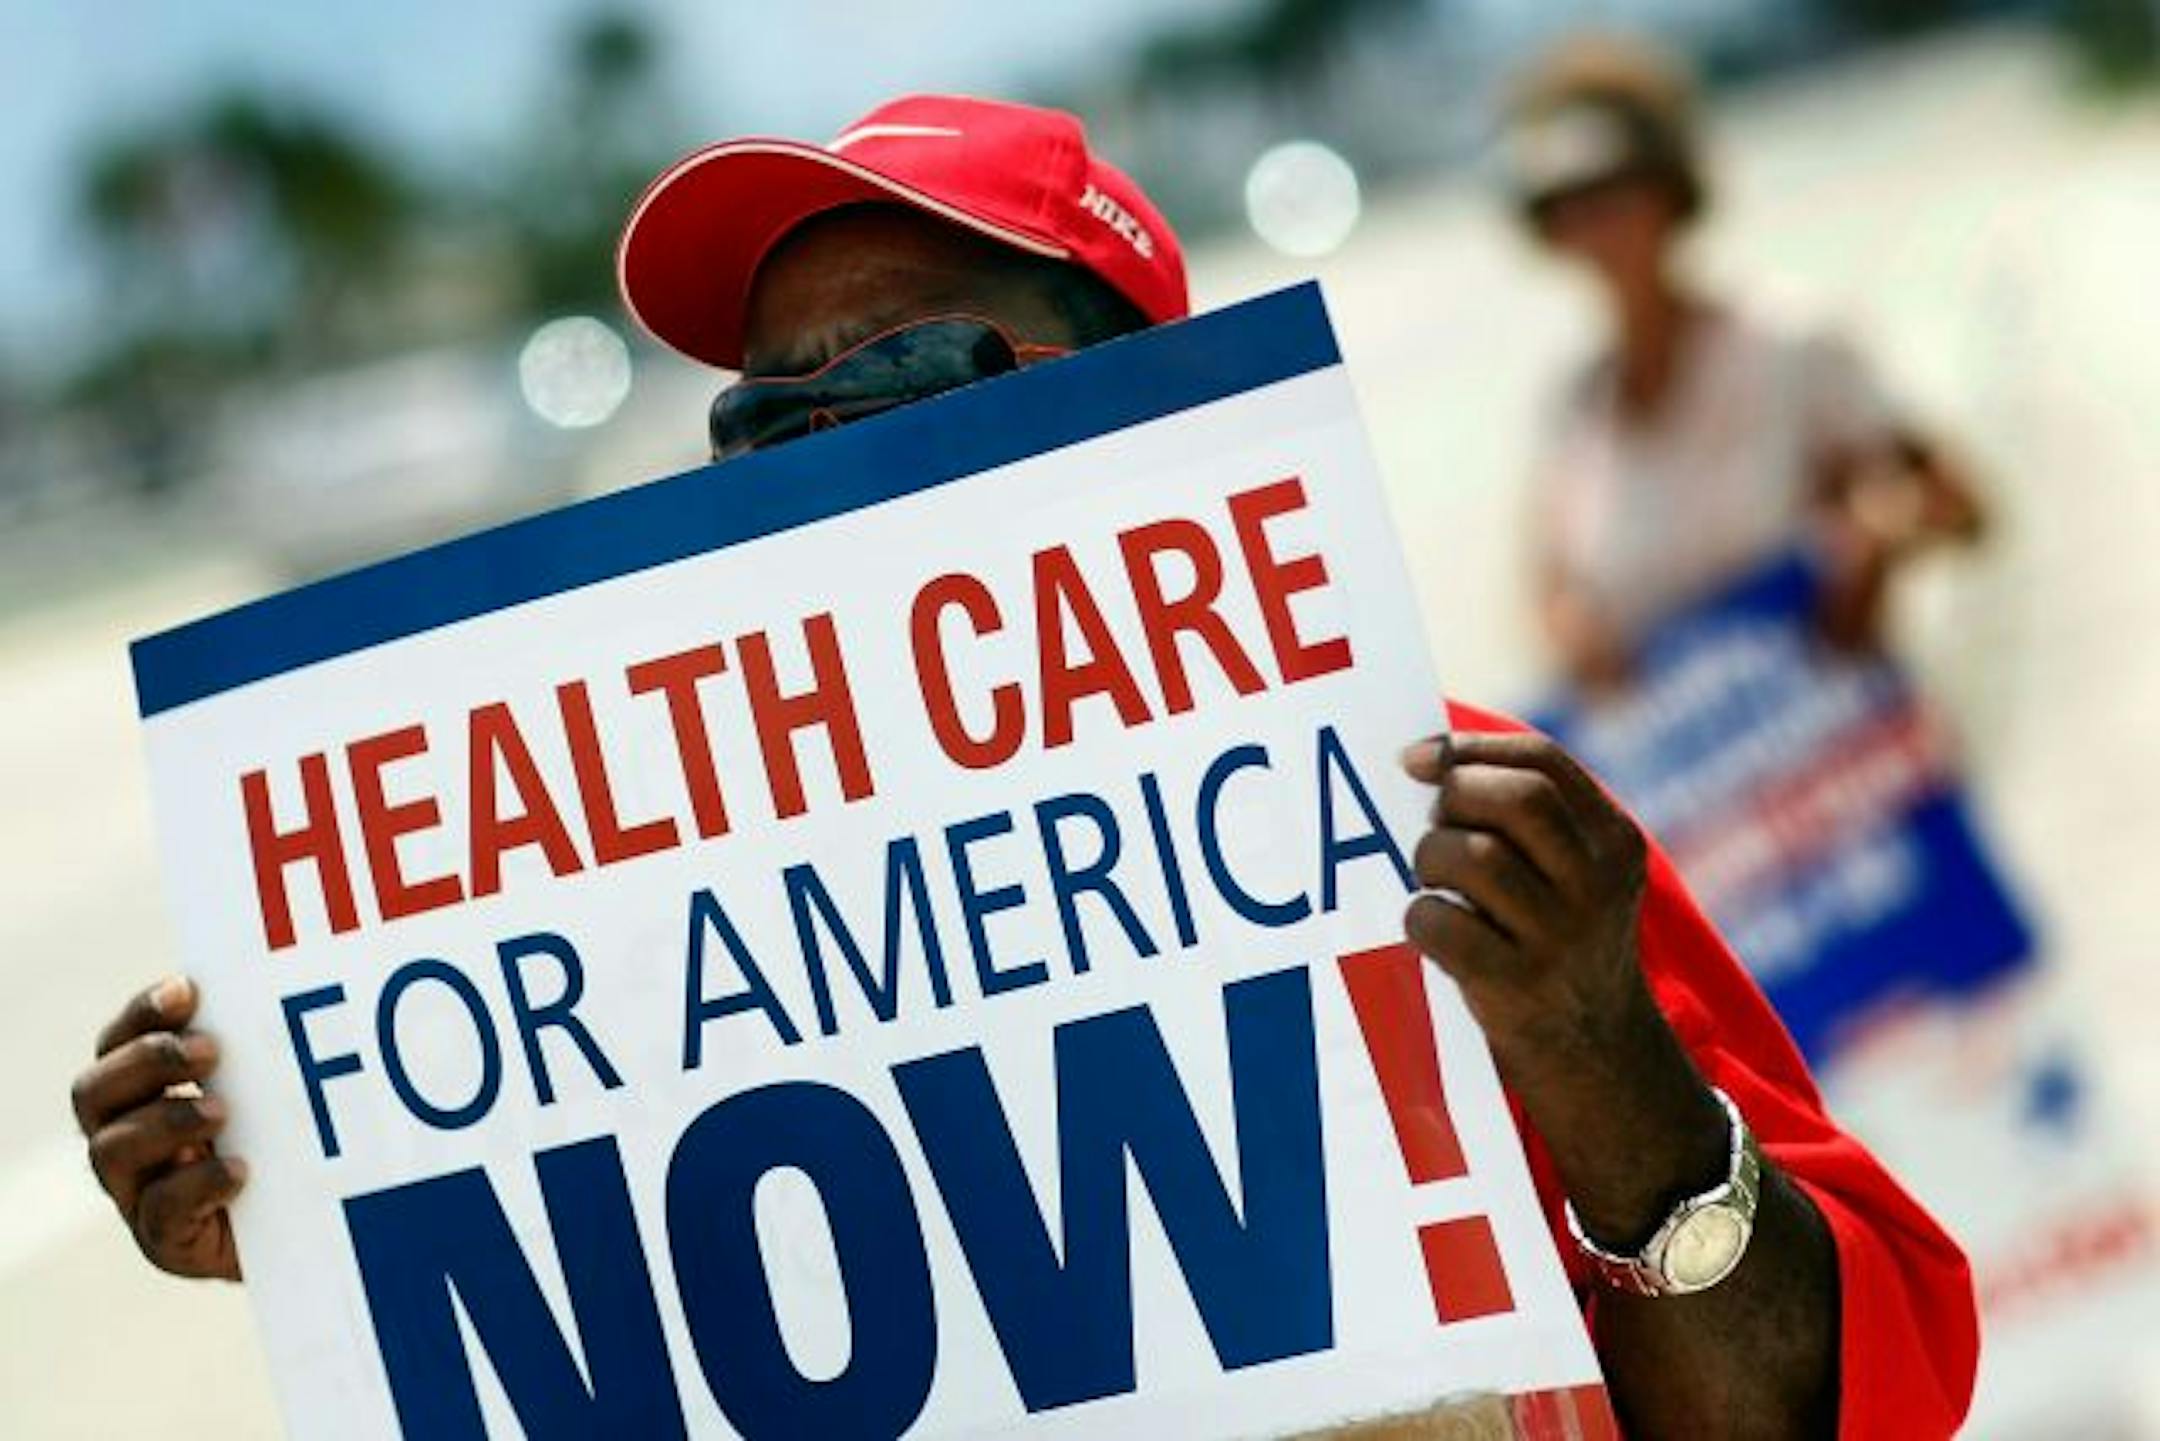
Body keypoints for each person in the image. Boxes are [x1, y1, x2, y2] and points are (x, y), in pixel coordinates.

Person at [70, 95, 1977, 1438]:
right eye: (768, 425)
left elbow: (1849, 1403)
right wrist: (330, 1227)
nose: (825, 465)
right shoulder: (618, 925)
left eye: (900, 388)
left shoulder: (1441, 808)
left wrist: (1586, 1044)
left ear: (1141, 395)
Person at [1500, 36, 1985, 693]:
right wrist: (1574, 635)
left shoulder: (1790, 342)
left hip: (1846, 743)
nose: (1591, 225)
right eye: (1563, 206)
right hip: (1696, 774)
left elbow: (1958, 503)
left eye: (1610, 193)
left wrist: (1878, 534)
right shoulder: (1576, 404)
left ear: (1668, 192)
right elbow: (1552, 587)